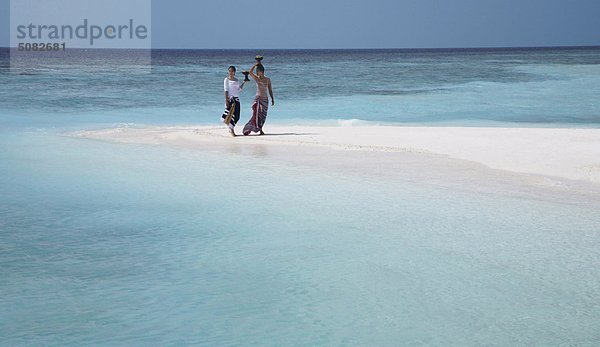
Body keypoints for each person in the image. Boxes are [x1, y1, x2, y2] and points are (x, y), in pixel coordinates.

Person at [243, 63, 274, 136]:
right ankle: (252, 129)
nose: (258, 73)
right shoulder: (256, 78)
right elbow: (250, 72)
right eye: (257, 72)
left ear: (263, 71)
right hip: (258, 99)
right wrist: (255, 65)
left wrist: (272, 98)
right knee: (256, 114)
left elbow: (270, 89)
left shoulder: (267, 79)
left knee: (263, 116)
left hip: (265, 99)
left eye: (259, 71)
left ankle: (260, 128)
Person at [222, 66, 246, 136]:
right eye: (229, 71)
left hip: (236, 99)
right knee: (230, 115)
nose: (230, 72)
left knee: (237, 116)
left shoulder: (237, 80)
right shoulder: (226, 80)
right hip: (230, 99)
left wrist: (244, 82)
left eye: (232, 71)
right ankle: (231, 129)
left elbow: (238, 90)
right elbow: (226, 90)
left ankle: (231, 128)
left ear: (234, 72)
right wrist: (226, 100)